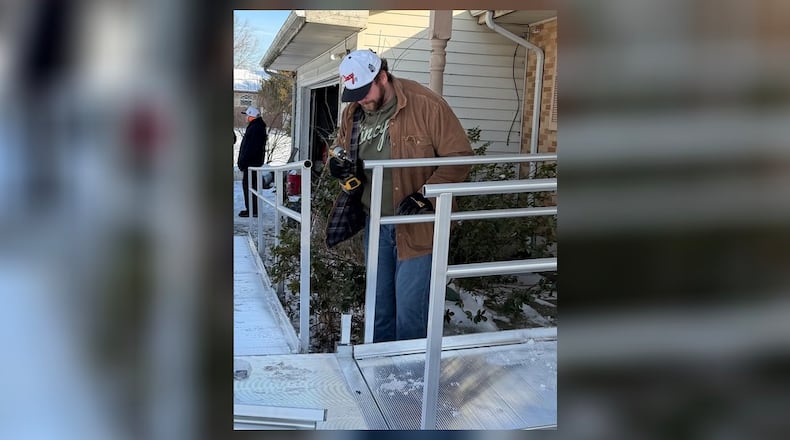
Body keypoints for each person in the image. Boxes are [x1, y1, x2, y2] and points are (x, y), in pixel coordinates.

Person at [327, 49, 474, 342]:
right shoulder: (354, 112)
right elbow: (340, 146)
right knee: (378, 307)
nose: (360, 100)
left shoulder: (426, 105)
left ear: (382, 77)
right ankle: (381, 366)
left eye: (364, 92)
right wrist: (338, 163)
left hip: (418, 226)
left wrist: (425, 195)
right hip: (375, 221)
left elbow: (459, 157)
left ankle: (410, 369)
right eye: (354, 94)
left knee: (410, 311)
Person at [237, 106, 268, 217]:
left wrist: (244, 162)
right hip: (252, 163)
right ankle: (251, 209)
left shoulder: (255, 128)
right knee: (250, 186)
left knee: (250, 187)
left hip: (251, 163)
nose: (246, 117)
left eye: (247, 115)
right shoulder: (256, 126)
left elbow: (251, 148)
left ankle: (252, 210)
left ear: (252, 116)